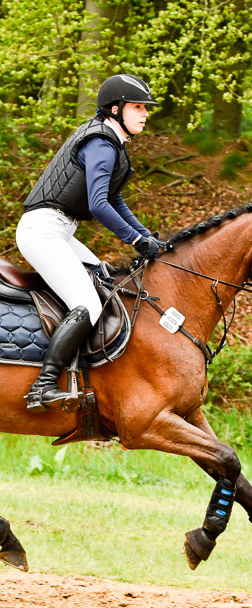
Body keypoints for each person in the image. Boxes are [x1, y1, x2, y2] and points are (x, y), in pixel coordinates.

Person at [16, 73, 162, 413]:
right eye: (138, 107)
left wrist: (147, 236)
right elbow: (98, 205)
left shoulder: (110, 141)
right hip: (43, 230)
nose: (145, 114)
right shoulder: (101, 143)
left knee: (104, 280)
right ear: (116, 109)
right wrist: (136, 240)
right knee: (87, 304)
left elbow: (115, 200)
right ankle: (43, 386)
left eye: (146, 108)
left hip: (59, 230)